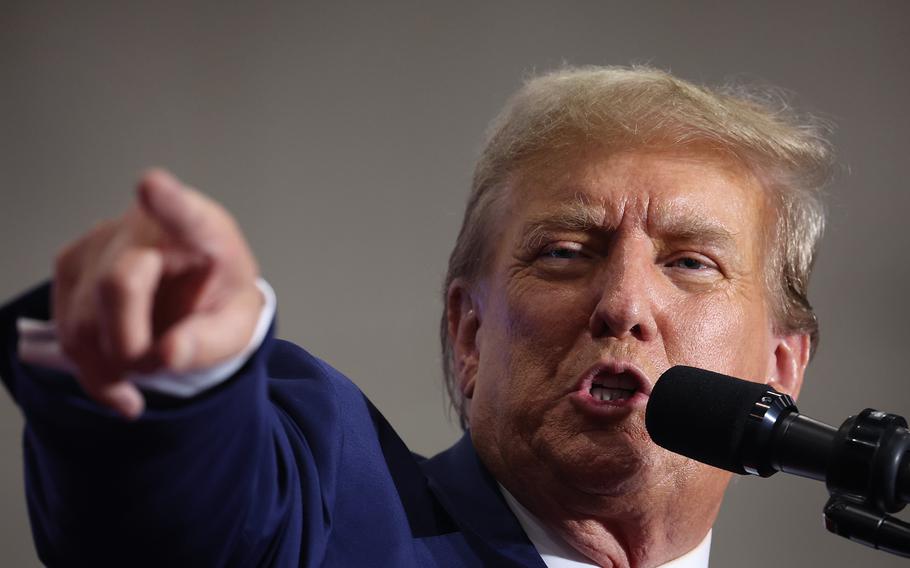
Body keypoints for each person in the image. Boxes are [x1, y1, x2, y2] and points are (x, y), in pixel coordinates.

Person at [0, 66, 832, 567]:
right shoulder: (333, 515)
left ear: (780, 372)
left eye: (691, 262)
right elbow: (193, 517)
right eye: (564, 252)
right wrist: (173, 376)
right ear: (470, 336)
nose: (623, 304)